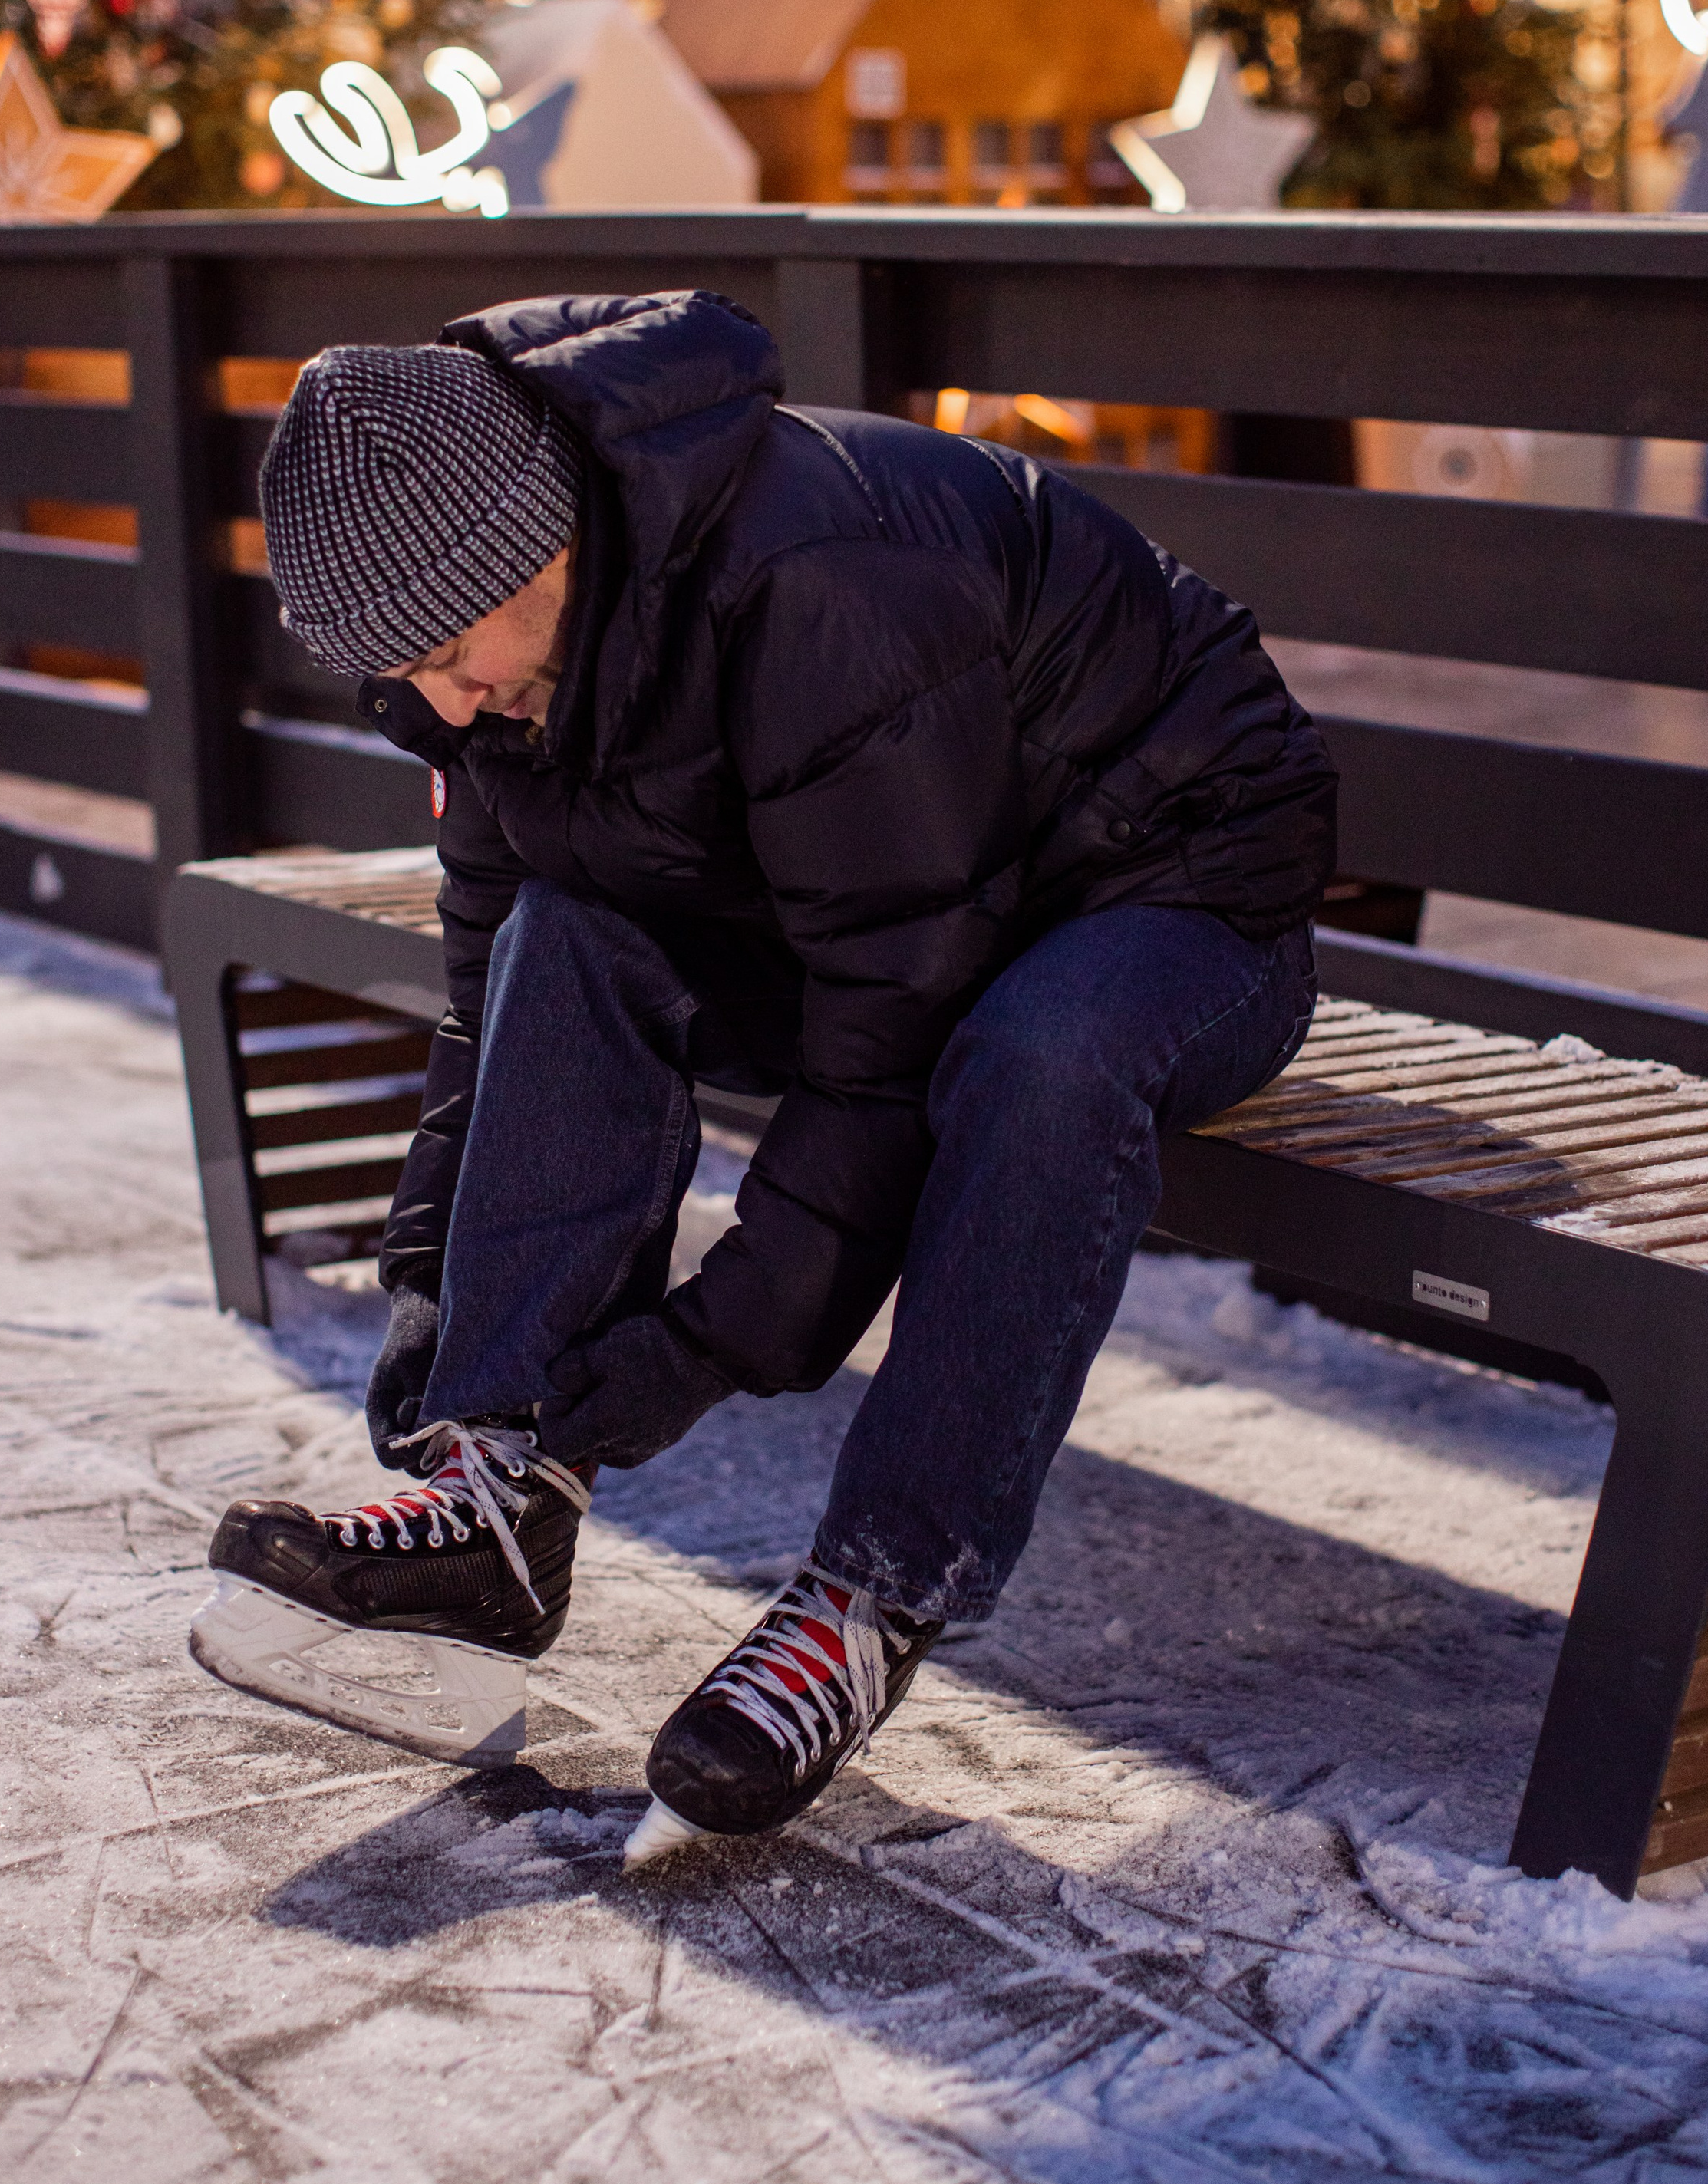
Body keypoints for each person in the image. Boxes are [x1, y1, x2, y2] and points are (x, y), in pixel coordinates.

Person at [190, 293, 1334, 1863]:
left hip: (1173, 896)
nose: (439, 708)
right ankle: (496, 1498)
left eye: (453, 659)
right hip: (916, 905)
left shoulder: (815, 589)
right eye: (405, 678)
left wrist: (708, 1345)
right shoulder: (476, 661)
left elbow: (893, 1031)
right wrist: (438, 1290)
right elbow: (493, 979)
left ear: (549, 555)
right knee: (572, 925)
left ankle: (873, 1588)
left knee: (1037, 1054)